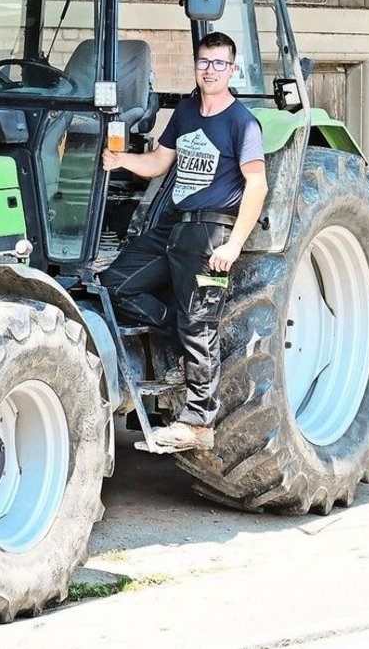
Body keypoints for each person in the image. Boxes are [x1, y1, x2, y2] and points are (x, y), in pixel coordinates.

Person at [100, 31, 267, 452]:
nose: (209, 70)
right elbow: (160, 161)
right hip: (173, 222)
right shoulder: (187, 112)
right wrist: (122, 160)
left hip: (211, 229)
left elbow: (257, 186)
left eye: (218, 64)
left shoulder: (243, 122)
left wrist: (233, 245)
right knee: (115, 284)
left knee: (199, 324)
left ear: (232, 69)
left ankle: (198, 424)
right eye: (203, 62)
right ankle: (178, 339)